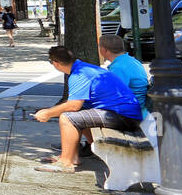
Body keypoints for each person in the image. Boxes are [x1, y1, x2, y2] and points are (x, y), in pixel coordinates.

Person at [35, 45, 142, 173]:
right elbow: (76, 106)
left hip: (124, 117)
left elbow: (73, 105)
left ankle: (65, 163)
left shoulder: (79, 75)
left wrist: (48, 113)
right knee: (77, 115)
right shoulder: (84, 68)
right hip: (126, 114)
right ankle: (72, 157)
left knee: (67, 118)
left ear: (56, 63)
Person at [98, 34, 149, 113]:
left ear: (104, 50)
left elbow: (114, 96)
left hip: (130, 112)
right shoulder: (131, 60)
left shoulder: (118, 67)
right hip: (138, 107)